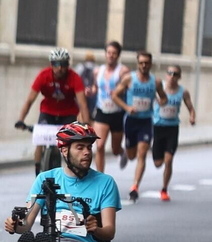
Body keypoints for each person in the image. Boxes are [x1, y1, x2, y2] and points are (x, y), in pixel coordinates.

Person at [3, 121, 118, 242]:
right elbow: (26, 224)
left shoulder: (105, 183)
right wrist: (16, 225)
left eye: (89, 147)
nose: (87, 152)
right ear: (64, 151)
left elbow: (109, 231)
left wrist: (96, 229)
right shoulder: (45, 179)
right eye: (80, 147)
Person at [14, 48, 90, 173]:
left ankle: (73, 168)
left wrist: (86, 124)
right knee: (39, 138)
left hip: (68, 113)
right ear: (51, 64)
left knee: (70, 143)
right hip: (48, 112)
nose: (59, 68)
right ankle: (38, 168)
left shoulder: (74, 78)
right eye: (56, 64)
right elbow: (29, 100)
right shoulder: (44, 76)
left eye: (63, 64)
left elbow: (83, 104)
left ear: (68, 65)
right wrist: (21, 120)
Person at [111, 50, 166, 203]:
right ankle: (124, 153)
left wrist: (160, 103)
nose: (144, 65)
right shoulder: (129, 79)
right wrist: (127, 108)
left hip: (146, 121)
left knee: (142, 154)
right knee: (132, 155)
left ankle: (135, 187)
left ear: (150, 64)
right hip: (131, 121)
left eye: (146, 63)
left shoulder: (156, 82)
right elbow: (114, 95)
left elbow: (163, 98)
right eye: (141, 63)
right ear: (137, 64)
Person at [145, 66, 197, 200]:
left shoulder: (183, 92)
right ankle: (157, 151)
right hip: (158, 127)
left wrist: (192, 117)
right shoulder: (159, 87)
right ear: (166, 75)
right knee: (158, 163)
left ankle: (164, 189)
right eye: (170, 73)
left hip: (172, 128)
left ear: (179, 77)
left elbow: (191, 108)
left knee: (169, 160)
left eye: (175, 74)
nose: (172, 76)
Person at [89, 41, 128, 173]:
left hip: (117, 113)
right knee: (99, 146)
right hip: (102, 111)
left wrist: (119, 92)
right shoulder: (97, 71)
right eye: (109, 53)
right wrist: (91, 91)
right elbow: (96, 87)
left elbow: (128, 89)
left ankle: (122, 152)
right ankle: (101, 178)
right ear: (105, 54)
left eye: (114, 53)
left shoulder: (123, 71)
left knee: (115, 149)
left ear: (118, 55)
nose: (111, 56)